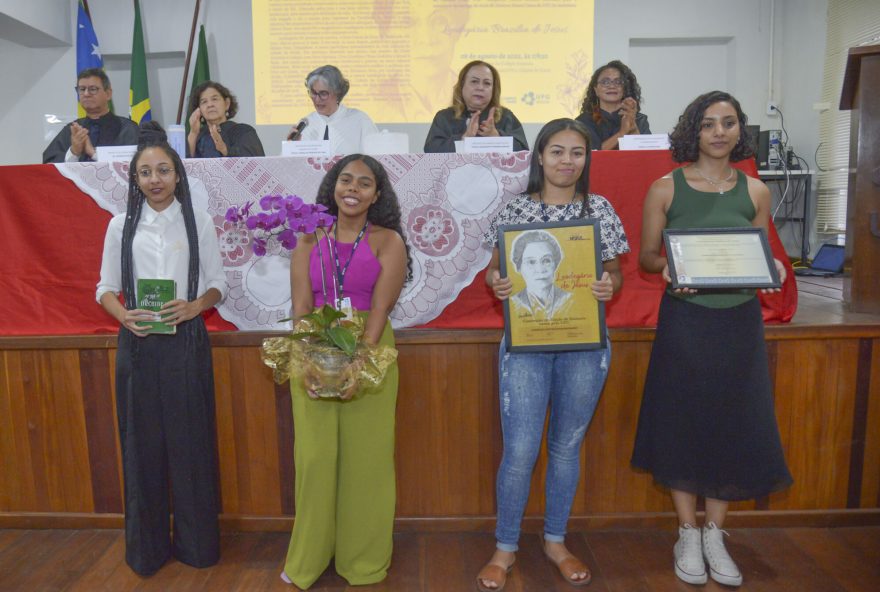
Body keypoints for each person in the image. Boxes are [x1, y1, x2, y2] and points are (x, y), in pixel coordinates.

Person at [631, 91, 793, 587]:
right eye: (708, 124)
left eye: (728, 123)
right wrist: (674, 269)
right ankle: (686, 530)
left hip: (739, 323)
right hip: (686, 320)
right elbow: (647, 258)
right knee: (684, 420)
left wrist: (778, 269)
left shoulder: (756, 193)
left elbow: (760, 256)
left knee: (733, 422)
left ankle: (715, 533)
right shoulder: (665, 188)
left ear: (739, 130)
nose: (719, 132)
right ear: (693, 132)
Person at [478, 118, 629, 590]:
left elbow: (615, 272)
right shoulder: (515, 208)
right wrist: (497, 282)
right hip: (525, 346)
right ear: (540, 156)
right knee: (520, 449)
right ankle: (505, 547)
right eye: (558, 151)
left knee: (566, 447)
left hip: (585, 345)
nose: (567, 161)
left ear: (587, 159)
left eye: (577, 153)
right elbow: (492, 270)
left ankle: (555, 540)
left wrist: (609, 285)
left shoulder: (599, 209)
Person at [96, 121, 226, 576]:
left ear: (177, 176)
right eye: (146, 172)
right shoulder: (119, 226)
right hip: (138, 344)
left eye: (164, 170)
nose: (155, 179)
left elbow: (217, 286)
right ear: (135, 179)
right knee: (141, 447)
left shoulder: (199, 222)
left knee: (190, 444)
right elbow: (105, 288)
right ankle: (147, 551)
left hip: (186, 342)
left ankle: (197, 547)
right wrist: (122, 315)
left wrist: (194, 307)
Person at [281, 154, 409, 589]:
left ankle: (363, 562)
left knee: (366, 461)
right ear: (333, 187)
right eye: (345, 180)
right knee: (315, 461)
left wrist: (360, 362)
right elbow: (300, 308)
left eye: (365, 183)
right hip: (314, 348)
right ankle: (308, 560)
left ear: (377, 195)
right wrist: (307, 361)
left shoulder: (388, 240)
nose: (353, 188)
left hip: (369, 350)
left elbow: (379, 308)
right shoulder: (306, 238)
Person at [423, 60, 528, 153]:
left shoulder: (505, 117)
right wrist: (464, 139)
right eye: (474, 81)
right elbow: (431, 151)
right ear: (462, 86)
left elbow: (524, 153)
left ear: (494, 89)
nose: (480, 87)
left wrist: (496, 137)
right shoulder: (444, 117)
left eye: (487, 83)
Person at [43, 68, 139, 163]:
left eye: (93, 89)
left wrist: (94, 154)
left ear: (108, 94)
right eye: (82, 89)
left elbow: (137, 165)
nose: (86, 94)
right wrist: (73, 152)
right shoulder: (72, 130)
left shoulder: (128, 129)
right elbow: (48, 165)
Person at [287, 65, 379, 155]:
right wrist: (291, 148)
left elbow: (376, 160)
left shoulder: (360, 120)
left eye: (323, 93)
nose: (317, 99)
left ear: (338, 93)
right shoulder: (306, 124)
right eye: (313, 93)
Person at [575, 60, 651, 151]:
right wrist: (622, 133)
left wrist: (633, 126)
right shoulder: (585, 120)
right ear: (595, 89)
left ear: (625, 89)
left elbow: (646, 154)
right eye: (605, 82)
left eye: (618, 82)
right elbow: (590, 155)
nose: (612, 86)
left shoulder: (639, 119)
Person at [187, 80, 265, 158]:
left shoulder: (243, 131)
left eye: (214, 99)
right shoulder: (196, 136)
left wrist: (224, 149)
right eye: (204, 102)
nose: (210, 105)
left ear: (227, 104)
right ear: (199, 109)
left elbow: (255, 164)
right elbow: (181, 165)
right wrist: (193, 133)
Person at [509, 230, 573, 320]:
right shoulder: (512, 303)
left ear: (555, 264)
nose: (540, 270)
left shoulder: (570, 300)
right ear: (519, 267)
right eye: (531, 262)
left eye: (546, 260)